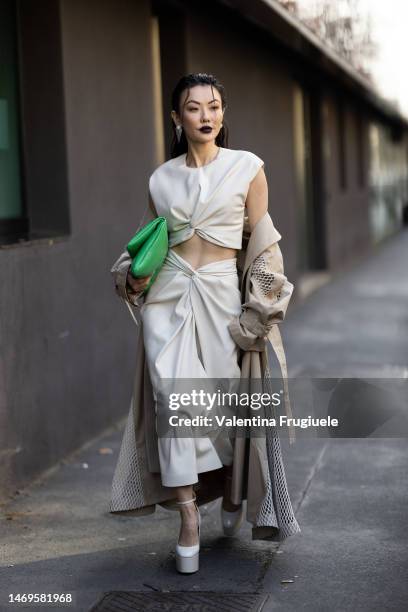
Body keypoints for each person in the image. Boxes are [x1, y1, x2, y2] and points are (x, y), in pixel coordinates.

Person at [110, 73, 300, 574]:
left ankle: (232, 492)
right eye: (193, 108)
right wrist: (132, 280)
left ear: (223, 113)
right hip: (167, 300)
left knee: (223, 406)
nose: (206, 116)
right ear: (177, 118)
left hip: (221, 299)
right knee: (172, 401)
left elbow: (263, 249)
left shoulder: (248, 168)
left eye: (214, 106)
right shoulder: (160, 179)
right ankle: (188, 517)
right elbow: (151, 246)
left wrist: (257, 313)